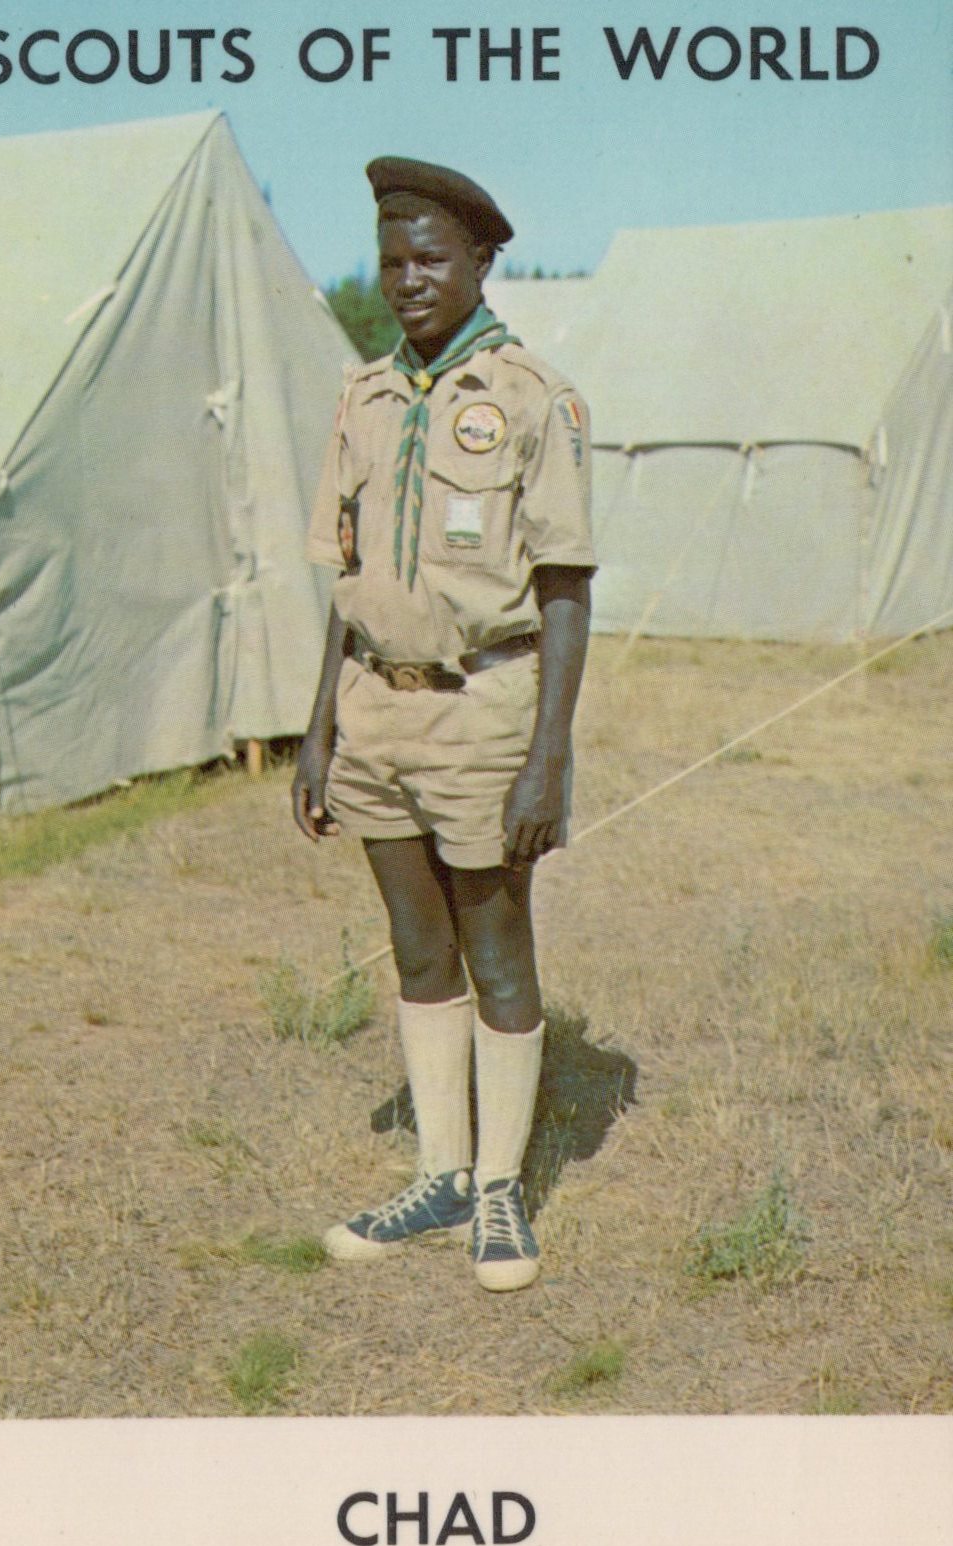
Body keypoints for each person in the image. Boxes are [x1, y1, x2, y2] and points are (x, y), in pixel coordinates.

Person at [292, 157, 594, 1292]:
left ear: (479, 262)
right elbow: (344, 576)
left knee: (495, 945)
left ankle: (503, 1188)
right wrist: (319, 729)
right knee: (419, 952)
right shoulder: (362, 397)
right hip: (377, 710)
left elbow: (564, 587)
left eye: (430, 258)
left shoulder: (532, 398)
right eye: (390, 260)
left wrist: (545, 758)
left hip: (483, 709)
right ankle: (441, 1170)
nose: (407, 279)